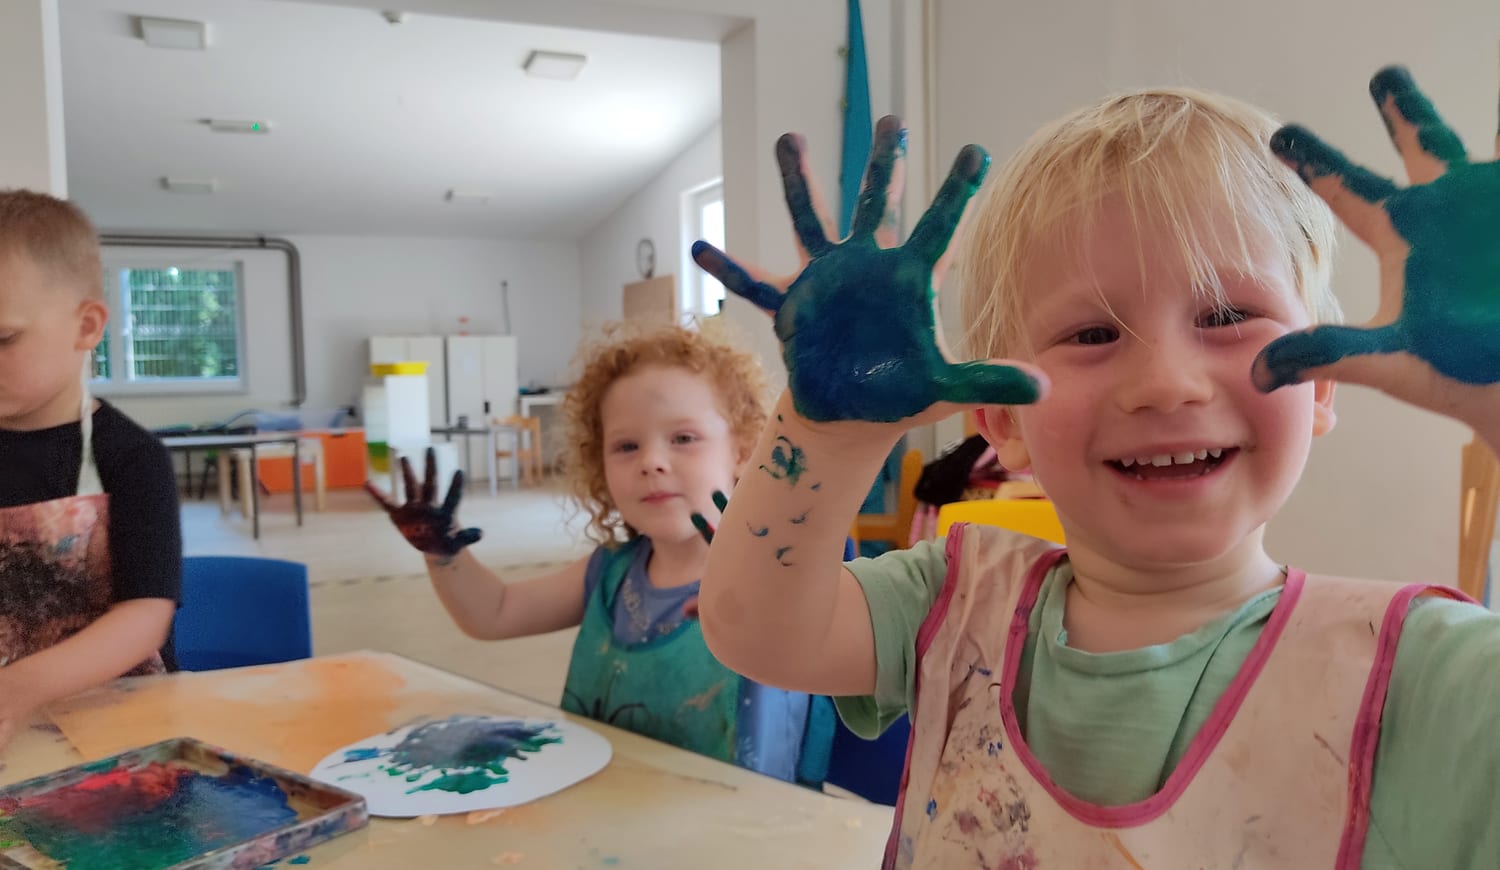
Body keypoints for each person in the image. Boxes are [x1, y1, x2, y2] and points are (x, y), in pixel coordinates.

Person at [692, 62, 1500, 867]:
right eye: (1092, 334)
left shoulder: (1420, 674)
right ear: (1002, 420)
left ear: (1319, 385)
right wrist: (825, 433)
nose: (1166, 384)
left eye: (1227, 316)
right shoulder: (951, 603)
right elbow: (755, 630)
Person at [368, 323, 831, 783]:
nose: (651, 462)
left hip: (743, 822)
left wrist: (771, 585)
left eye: (683, 438)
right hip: (613, 807)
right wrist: (443, 552)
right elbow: (494, 613)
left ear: (744, 451)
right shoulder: (612, 573)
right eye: (626, 446)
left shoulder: (776, 577)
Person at [0, 190, 180, 752]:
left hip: (121, 727)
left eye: (2, 338)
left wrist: (15, 690)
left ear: (85, 326)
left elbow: (145, 616)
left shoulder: (130, 456)